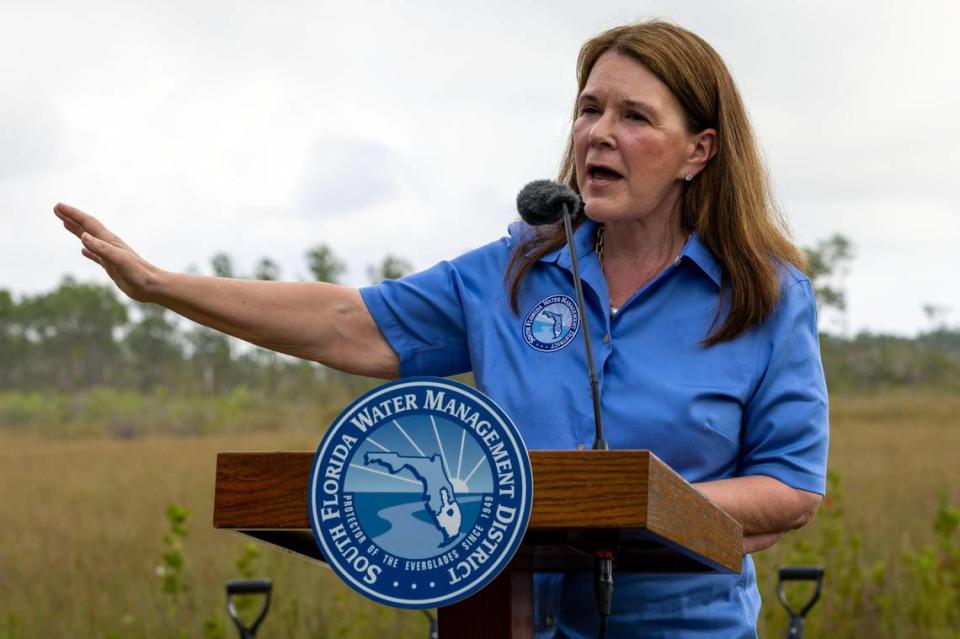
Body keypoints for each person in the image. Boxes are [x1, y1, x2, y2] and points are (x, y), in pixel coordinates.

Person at [55, 20, 828, 638]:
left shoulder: (766, 296)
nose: (598, 132)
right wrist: (159, 287)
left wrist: (647, 509)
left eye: (634, 116)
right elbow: (344, 322)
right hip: (498, 621)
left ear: (699, 151)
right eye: (589, 108)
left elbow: (791, 486)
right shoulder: (513, 273)